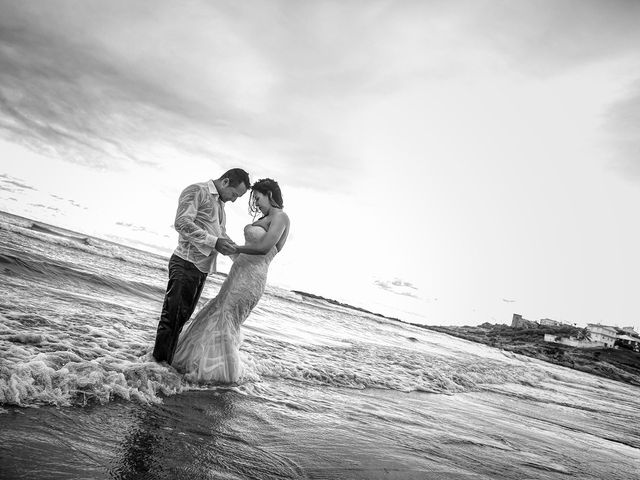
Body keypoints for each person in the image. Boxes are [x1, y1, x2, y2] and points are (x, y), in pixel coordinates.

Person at [172, 178, 290, 383]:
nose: (256, 203)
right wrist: (227, 247)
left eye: (258, 198)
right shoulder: (265, 217)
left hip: (251, 278)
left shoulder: (281, 217)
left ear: (270, 194)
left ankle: (216, 373)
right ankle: (197, 363)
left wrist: (235, 248)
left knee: (227, 317)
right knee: (216, 312)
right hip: (237, 273)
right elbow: (244, 247)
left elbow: (263, 248)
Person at [152, 168, 251, 364]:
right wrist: (214, 242)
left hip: (200, 269)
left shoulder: (220, 207)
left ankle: (164, 364)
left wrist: (242, 257)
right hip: (185, 262)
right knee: (171, 319)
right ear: (225, 182)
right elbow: (181, 223)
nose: (233, 200)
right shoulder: (197, 191)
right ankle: (157, 366)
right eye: (234, 194)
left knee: (181, 319)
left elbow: (220, 235)